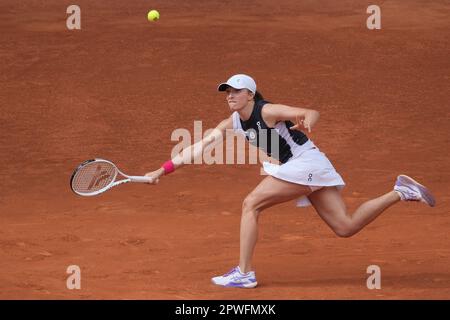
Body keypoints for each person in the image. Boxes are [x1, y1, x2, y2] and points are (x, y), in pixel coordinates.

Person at [144, 74, 436, 289]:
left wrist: (308, 120)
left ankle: (244, 273)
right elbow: (198, 148)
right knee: (345, 227)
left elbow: (310, 111)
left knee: (251, 204)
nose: (229, 96)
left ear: (250, 94)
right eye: (227, 92)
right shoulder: (231, 122)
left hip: (305, 163)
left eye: (235, 91)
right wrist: (162, 170)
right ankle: (400, 191)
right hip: (307, 166)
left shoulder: (267, 110)